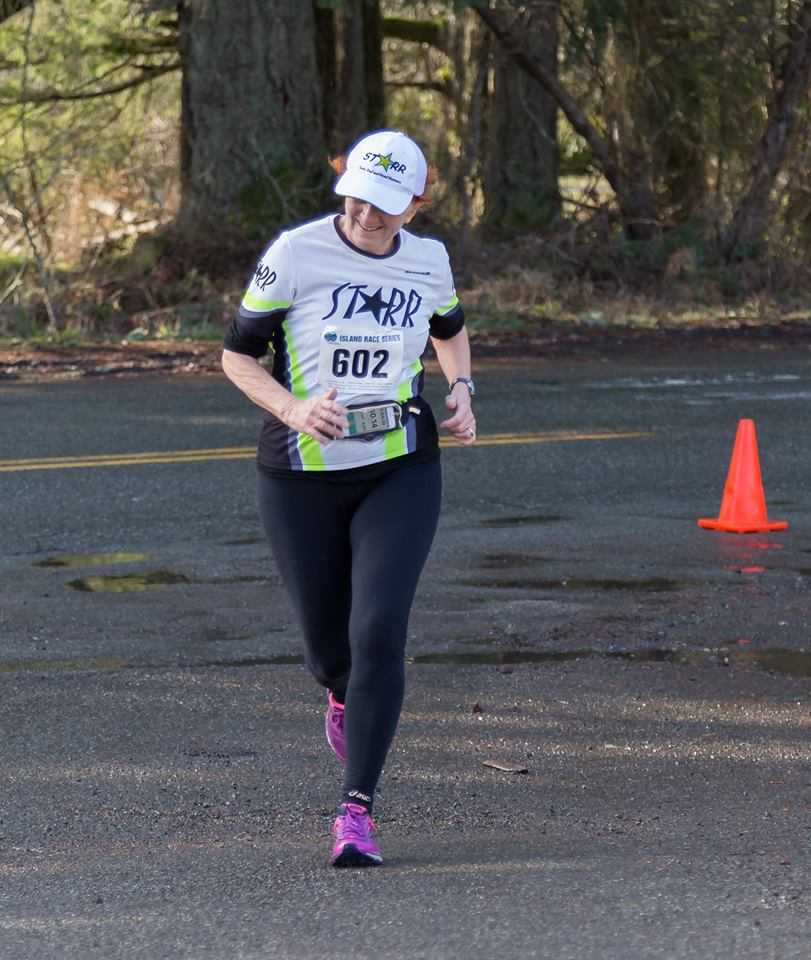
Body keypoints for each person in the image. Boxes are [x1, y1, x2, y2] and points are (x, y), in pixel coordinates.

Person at [221, 130, 475, 868]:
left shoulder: (428, 261)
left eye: (388, 206)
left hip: (399, 464)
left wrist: (460, 387)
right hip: (299, 475)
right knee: (332, 653)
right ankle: (341, 695)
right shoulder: (294, 254)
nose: (368, 214)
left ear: (416, 204)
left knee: (378, 631)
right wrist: (294, 409)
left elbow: (450, 331)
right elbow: (237, 355)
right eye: (358, 196)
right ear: (343, 184)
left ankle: (356, 811)